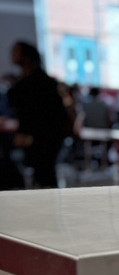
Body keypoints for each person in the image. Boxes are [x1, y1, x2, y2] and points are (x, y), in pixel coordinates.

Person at [6, 41, 71, 188]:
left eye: (16, 51)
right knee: (44, 174)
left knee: (45, 174)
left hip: (43, 135)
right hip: (47, 135)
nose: (12, 55)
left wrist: (26, 133)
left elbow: (37, 113)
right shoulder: (38, 80)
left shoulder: (33, 83)